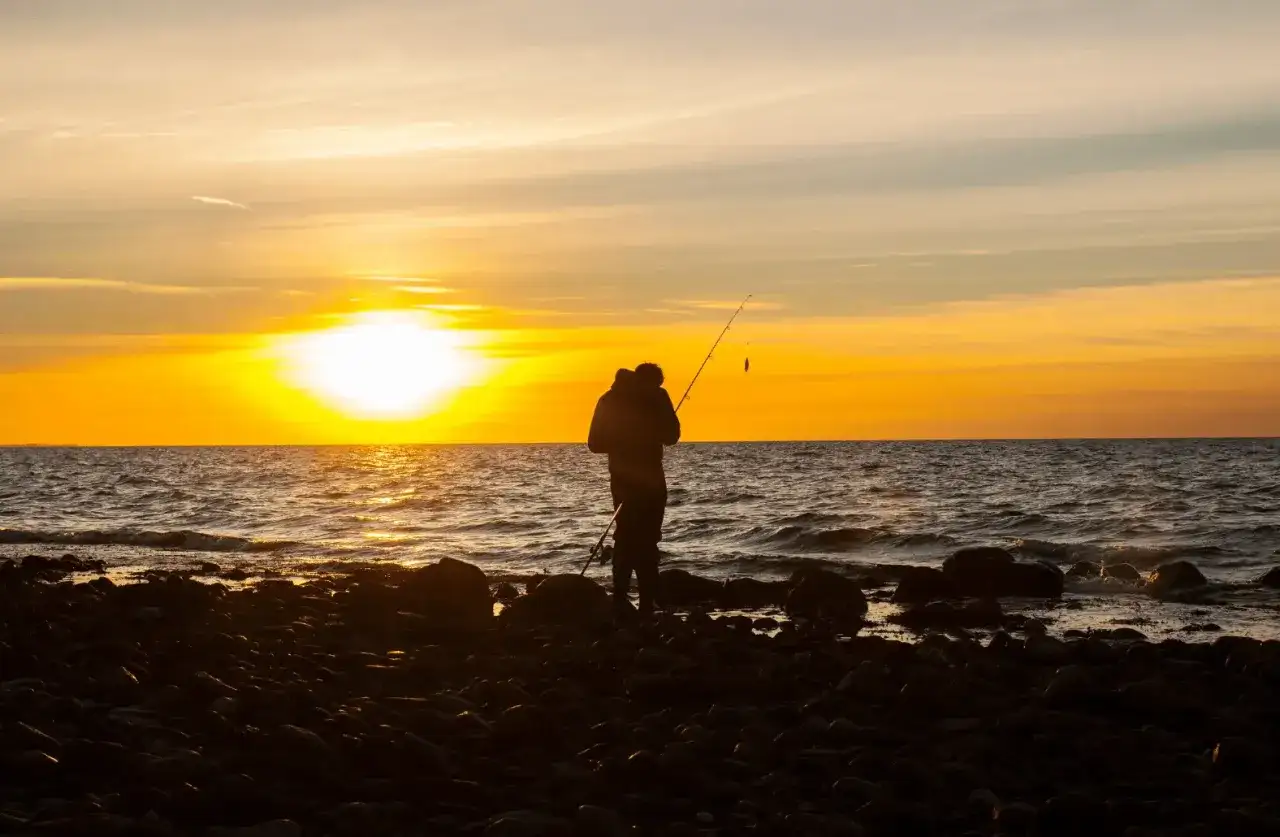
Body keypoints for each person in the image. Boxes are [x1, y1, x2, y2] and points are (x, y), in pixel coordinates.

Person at [587, 362, 680, 614]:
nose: (655, 390)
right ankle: (629, 598)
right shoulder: (615, 399)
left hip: (640, 479)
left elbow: (671, 436)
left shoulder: (646, 396)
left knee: (639, 536)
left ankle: (641, 600)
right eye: (653, 385)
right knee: (633, 536)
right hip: (632, 479)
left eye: (657, 387)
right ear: (639, 380)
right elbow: (594, 443)